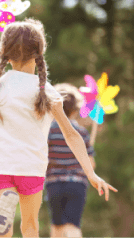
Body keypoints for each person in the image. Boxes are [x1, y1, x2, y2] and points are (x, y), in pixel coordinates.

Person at [0, 18, 117, 238]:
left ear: (5, 55)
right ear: (39, 53)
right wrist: (90, 173)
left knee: (2, 233)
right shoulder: (45, 91)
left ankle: (7, 206)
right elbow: (71, 134)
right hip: (30, 165)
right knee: (30, 226)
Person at [46, 83, 96, 238]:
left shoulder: (48, 131)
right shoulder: (81, 133)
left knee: (57, 227)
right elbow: (91, 164)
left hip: (54, 184)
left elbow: (44, 159)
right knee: (73, 226)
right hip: (76, 184)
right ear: (75, 109)